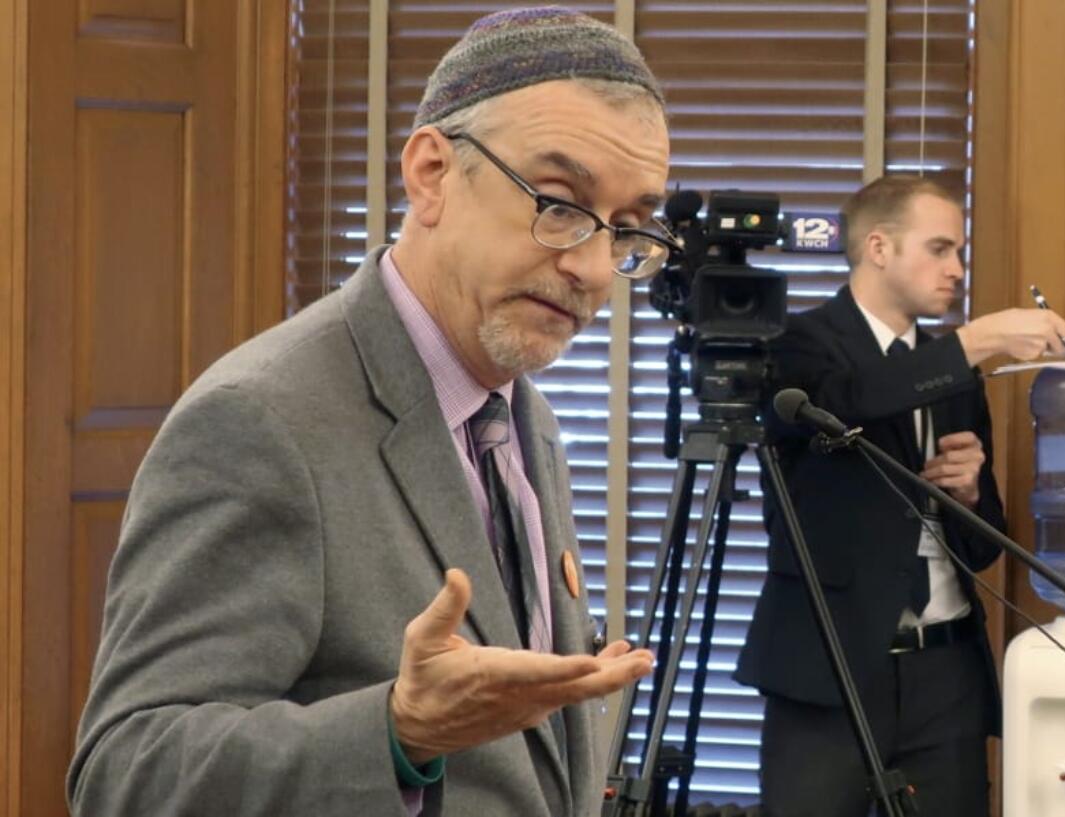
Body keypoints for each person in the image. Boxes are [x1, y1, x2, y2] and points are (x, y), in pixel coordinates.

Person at [67, 7, 678, 816]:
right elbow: (126, 774)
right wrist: (396, 731)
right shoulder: (260, 422)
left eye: (628, 229)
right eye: (559, 203)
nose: (594, 268)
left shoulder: (524, 417)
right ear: (430, 174)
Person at [734, 175, 1065, 816]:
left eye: (959, 251)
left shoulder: (951, 371)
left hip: (946, 670)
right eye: (939, 248)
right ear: (878, 247)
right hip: (830, 667)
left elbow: (983, 551)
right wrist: (975, 342)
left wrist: (972, 492)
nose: (956, 269)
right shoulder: (797, 344)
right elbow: (841, 404)